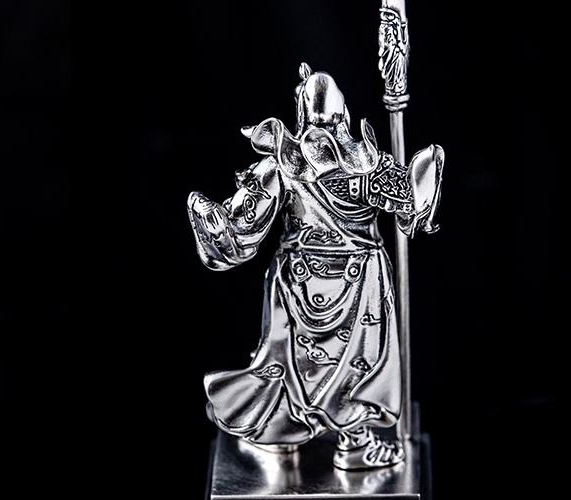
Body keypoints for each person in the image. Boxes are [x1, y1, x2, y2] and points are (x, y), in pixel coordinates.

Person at [188, 63, 443, 470]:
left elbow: (242, 223)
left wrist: (220, 227)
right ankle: (350, 441)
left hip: (303, 280)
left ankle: (288, 435)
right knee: (345, 364)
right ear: (344, 114)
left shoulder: (284, 165)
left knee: (299, 363)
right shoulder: (367, 166)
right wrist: (423, 176)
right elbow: (409, 203)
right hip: (356, 280)